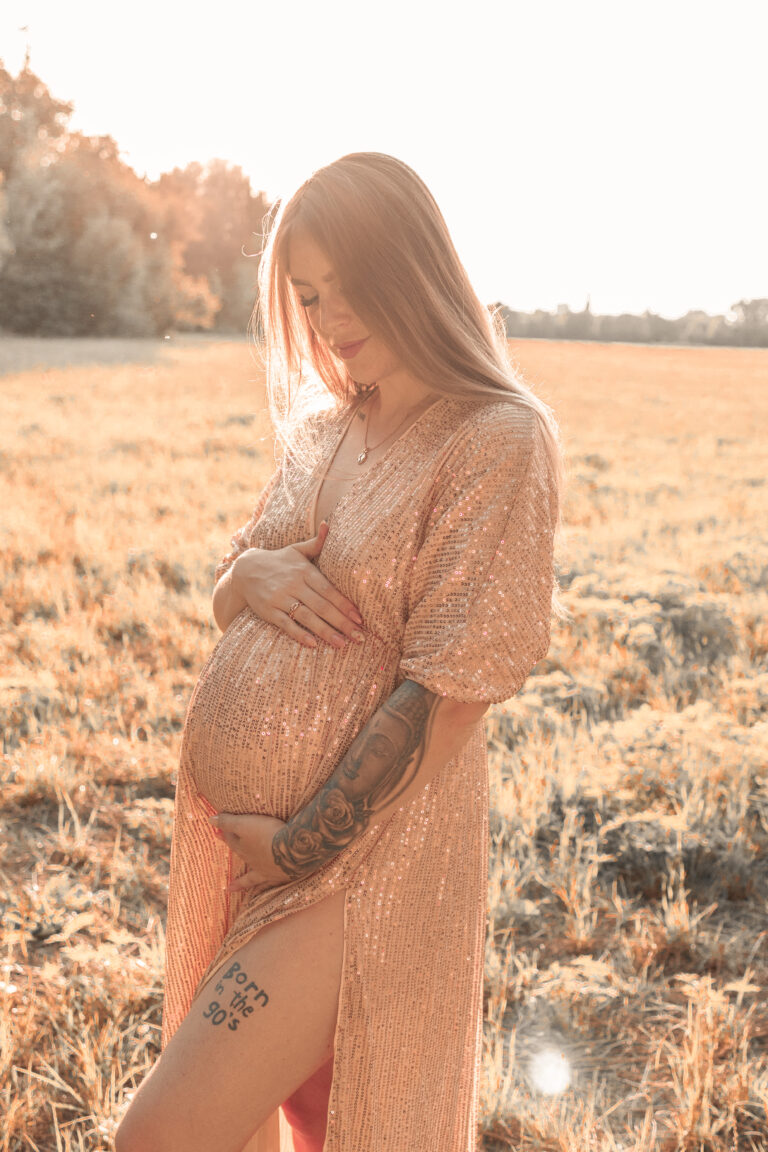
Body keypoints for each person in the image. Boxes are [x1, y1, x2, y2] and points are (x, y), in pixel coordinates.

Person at [115, 151, 566, 1152]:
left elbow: (451, 689)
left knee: (159, 1138)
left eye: (352, 286)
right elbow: (235, 579)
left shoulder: (494, 438)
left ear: (416, 267)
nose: (330, 320)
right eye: (311, 297)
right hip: (259, 858)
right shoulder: (325, 428)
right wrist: (248, 584)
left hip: (356, 873)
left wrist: (303, 843)